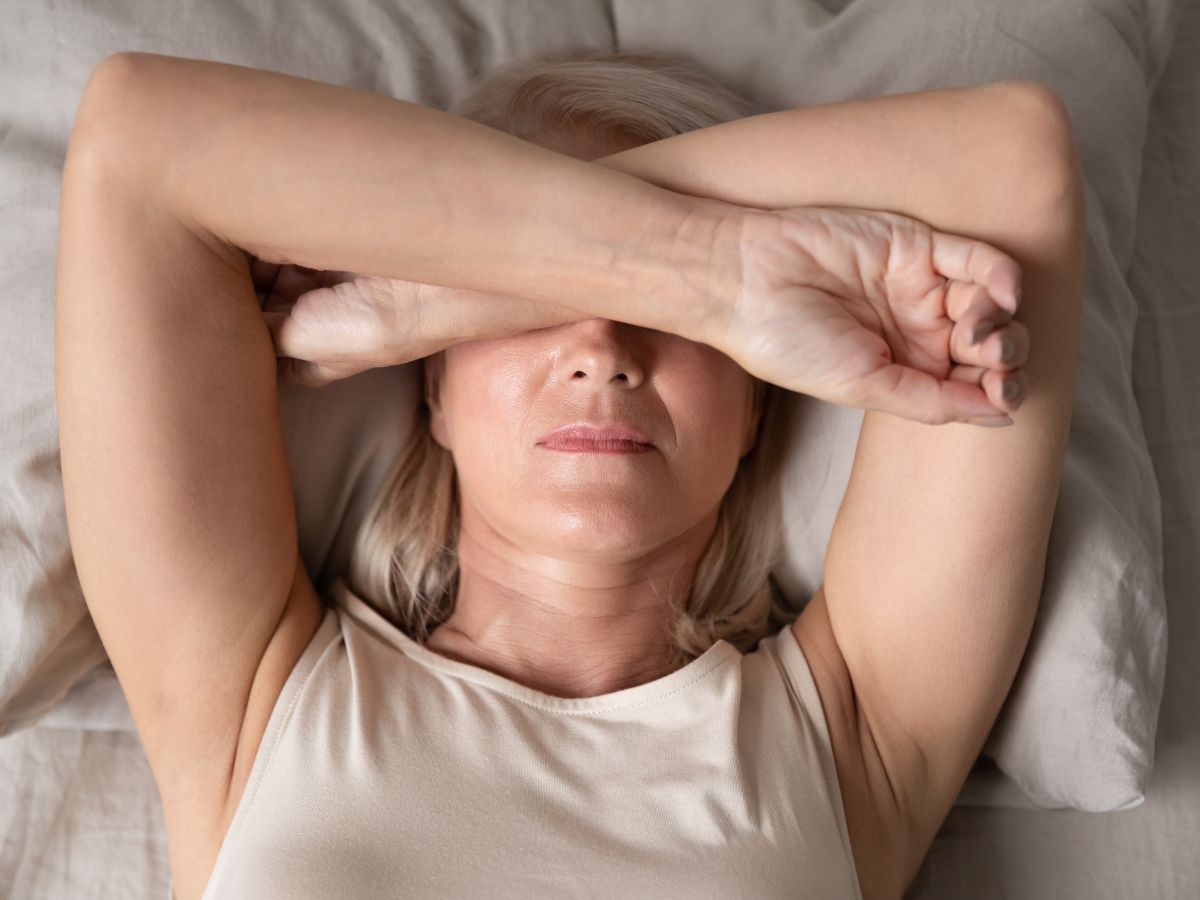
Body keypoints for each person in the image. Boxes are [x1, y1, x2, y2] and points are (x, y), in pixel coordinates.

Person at [55, 45, 1084, 900]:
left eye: (675, 320)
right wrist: (714, 276)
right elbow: (140, 139)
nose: (602, 348)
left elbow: (1009, 163)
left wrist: (441, 294)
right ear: (435, 394)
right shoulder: (253, 701)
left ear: (758, 398)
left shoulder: (854, 730)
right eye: (527, 304)